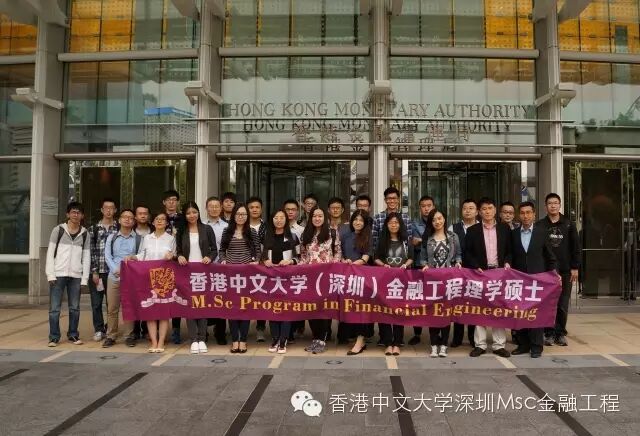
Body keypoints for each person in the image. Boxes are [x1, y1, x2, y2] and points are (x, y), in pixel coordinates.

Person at [465, 197, 512, 358]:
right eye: (484, 209)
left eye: (490, 208)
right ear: (479, 212)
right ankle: (480, 344)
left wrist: (507, 262)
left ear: (495, 210)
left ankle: (499, 345)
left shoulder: (505, 229)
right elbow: (467, 253)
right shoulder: (472, 230)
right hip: (481, 273)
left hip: (499, 273)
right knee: (480, 309)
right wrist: (475, 266)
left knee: (499, 309)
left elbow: (510, 251)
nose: (487, 211)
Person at [510, 201, 558, 358]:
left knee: (536, 313)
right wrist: (507, 263)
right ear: (519, 215)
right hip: (519, 279)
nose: (525, 216)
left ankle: (537, 346)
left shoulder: (542, 232)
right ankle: (523, 344)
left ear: (534, 214)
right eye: (522, 213)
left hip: (538, 280)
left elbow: (550, 256)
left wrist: (554, 273)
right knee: (520, 312)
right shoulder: (514, 234)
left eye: (528, 212)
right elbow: (510, 254)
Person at [126, 212, 176, 353]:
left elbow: (175, 255)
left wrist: (172, 256)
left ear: (167, 223)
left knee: (164, 312)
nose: (159, 221)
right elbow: (142, 255)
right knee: (151, 311)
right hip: (148, 277)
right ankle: (154, 341)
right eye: (157, 219)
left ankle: (161, 341)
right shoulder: (147, 238)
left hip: (164, 278)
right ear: (153, 222)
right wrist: (132, 257)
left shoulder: (171, 239)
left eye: (163, 219)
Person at [538, 193, 581, 347]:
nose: (553, 206)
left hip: (565, 270)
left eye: (556, 203)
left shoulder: (568, 224)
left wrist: (575, 267)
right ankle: (548, 333)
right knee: (548, 303)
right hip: (547, 271)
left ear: (560, 205)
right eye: (550, 203)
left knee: (562, 304)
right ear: (546, 206)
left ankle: (560, 333)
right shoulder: (540, 225)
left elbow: (576, 247)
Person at [45, 202, 90, 347]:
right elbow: (50, 253)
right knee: (54, 308)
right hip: (58, 274)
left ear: (82, 216)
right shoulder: (58, 230)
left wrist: (84, 278)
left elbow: (86, 257)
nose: (75, 215)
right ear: (68, 214)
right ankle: (54, 337)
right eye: (73, 212)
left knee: (75, 307)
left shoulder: (85, 233)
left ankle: (73, 334)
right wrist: (50, 274)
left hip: (76, 275)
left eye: (78, 212)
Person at [176, 201, 218, 355]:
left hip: (203, 272)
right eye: (188, 213)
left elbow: (214, 249)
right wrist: (179, 256)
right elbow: (178, 250)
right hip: (187, 273)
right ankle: (194, 339)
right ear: (184, 215)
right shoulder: (181, 231)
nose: (191, 215)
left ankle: (202, 338)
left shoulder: (207, 229)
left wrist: (209, 257)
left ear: (199, 213)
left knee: (202, 305)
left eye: (194, 212)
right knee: (190, 306)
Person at [219, 203, 261, 353]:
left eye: (243, 214)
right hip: (230, 275)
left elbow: (258, 250)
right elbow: (222, 250)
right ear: (233, 216)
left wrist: (256, 261)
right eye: (238, 214)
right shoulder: (227, 231)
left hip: (246, 276)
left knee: (244, 307)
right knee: (232, 307)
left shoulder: (252, 232)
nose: (241, 217)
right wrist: (223, 260)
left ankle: (243, 340)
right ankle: (234, 340)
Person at [300, 206, 342, 353]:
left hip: (326, 277)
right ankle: (315, 337)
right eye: (314, 216)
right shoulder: (306, 234)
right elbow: (303, 256)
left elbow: (337, 253)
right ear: (310, 218)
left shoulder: (332, 232)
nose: (317, 218)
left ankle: (322, 340)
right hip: (310, 277)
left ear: (325, 218)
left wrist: (333, 268)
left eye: (320, 216)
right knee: (311, 308)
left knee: (324, 308)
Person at [421, 209, 461, 358]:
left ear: (444, 219)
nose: (437, 222)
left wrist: (458, 262)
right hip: (433, 281)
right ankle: (433, 345)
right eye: (434, 220)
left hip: (449, 280)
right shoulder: (428, 238)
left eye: (439, 218)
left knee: (445, 313)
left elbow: (458, 254)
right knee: (433, 313)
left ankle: (443, 345)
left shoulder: (453, 236)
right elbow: (423, 258)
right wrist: (425, 265)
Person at [261, 209, 300, 354]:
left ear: (286, 219)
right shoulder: (266, 236)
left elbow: (299, 257)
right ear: (272, 220)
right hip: (271, 279)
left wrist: (290, 261)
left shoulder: (293, 237)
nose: (279, 220)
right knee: (273, 309)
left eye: (281, 217)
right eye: (276, 217)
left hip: (287, 279)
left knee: (286, 310)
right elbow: (261, 256)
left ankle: (283, 340)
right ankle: (275, 338)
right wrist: (265, 260)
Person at [103, 209, 142, 348]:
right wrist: (115, 269)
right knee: (112, 308)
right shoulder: (111, 237)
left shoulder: (139, 239)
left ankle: (129, 335)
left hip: (131, 278)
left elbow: (140, 256)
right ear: (119, 220)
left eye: (130, 218)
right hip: (114, 277)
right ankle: (111, 335)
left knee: (129, 307)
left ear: (134, 221)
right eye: (124, 217)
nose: (127, 219)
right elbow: (107, 256)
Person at [375, 212, 413, 356]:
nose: (393, 225)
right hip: (385, 281)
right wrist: (383, 265)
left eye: (396, 222)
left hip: (401, 281)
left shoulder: (406, 241)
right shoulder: (382, 240)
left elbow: (411, 258)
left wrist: (405, 265)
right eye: (391, 223)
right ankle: (387, 343)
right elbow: (376, 258)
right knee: (384, 310)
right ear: (386, 225)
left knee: (399, 310)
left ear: (400, 224)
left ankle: (397, 342)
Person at [340, 209, 372, 355]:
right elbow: (341, 254)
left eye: (361, 220)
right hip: (347, 276)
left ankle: (361, 339)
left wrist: (357, 263)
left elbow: (366, 257)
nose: (358, 222)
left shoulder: (368, 237)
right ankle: (356, 337)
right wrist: (344, 260)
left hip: (363, 277)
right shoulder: (346, 236)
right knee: (351, 307)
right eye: (355, 219)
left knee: (362, 309)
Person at [87, 198, 119, 342]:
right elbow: (91, 251)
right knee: (96, 303)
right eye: (106, 208)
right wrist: (94, 271)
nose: (108, 210)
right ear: (101, 210)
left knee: (111, 304)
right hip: (98, 272)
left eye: (111, 208)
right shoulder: (94, 228)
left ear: (115, 210)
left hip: (113, 272)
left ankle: (109, 327)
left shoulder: (118, 228)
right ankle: (99, 329)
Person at [449, 198, 478, 348]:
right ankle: (457, 337)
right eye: (465, 208)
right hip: (458, 271)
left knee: (474, 304)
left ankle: (473, 338)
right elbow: (450, 249)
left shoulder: (481, 227)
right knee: (458, 304)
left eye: (471, 208)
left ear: (477, 211)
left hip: (476, 271)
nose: (468, 211)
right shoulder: (453, 228)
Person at [408, 195, 435, 346]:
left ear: (433, 206)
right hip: (418, 265)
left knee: (433, 299)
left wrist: (422, 241)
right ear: (420, 208)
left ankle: (434, 333)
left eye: (429, 205)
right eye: (423, 206)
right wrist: (428, 241)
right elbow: (413, 242)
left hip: (436, 266)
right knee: (417, 300)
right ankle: (417, 333)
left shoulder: (438, 221)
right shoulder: (414, 224)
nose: (426, 208)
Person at [205, 195, 229, 345]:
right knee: (205, 299)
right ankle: (204, 331)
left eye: (216, 206)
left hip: (221, 267)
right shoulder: (200, 225)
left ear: (221, 208)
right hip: (204, 268)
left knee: (221, 299)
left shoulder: (227, 226)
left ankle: (220, 332)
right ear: (206, 209)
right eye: (211, 206)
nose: (214, 209)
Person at [162, 189, 184, 345]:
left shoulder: (183, 219)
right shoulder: (158, 218)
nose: (171, 202)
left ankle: (176, 330)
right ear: (164, 202)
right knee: (161, 295)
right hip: (161, 262)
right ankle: (159, 329)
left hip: (178, 262)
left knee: (177, 296)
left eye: (174, 200)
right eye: (168, 200)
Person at [327, 197, 349, 345]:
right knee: (328, 300)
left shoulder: (348, 227)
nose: (335, 210)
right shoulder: (323, 225)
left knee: (343, 301)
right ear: (328, 210)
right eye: (332, 207)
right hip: (327, 269)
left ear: (342, 210)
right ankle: (326, 332)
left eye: (338, 207)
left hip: (344, 267)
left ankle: (343, 334)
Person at [247, 196, 268, 343]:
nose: (254, 210)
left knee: (261, 297)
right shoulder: (241, 225)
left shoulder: (267, 227)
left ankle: (260, 328)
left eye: (257, 207)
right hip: (245, 266)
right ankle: (242, 328)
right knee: (244, 297)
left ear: (261, 209)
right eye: (251, 207)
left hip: (262, 266)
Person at [132, 204, 152, 339]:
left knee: (148, 300)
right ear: (135, 216)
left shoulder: (154, 231)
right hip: (134, 271)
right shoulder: (130, 231)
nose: (143, 216)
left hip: (150, 272)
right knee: (135, 300)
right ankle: (135, 330)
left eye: (145, 213)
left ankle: (146, 329)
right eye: (140, 213)